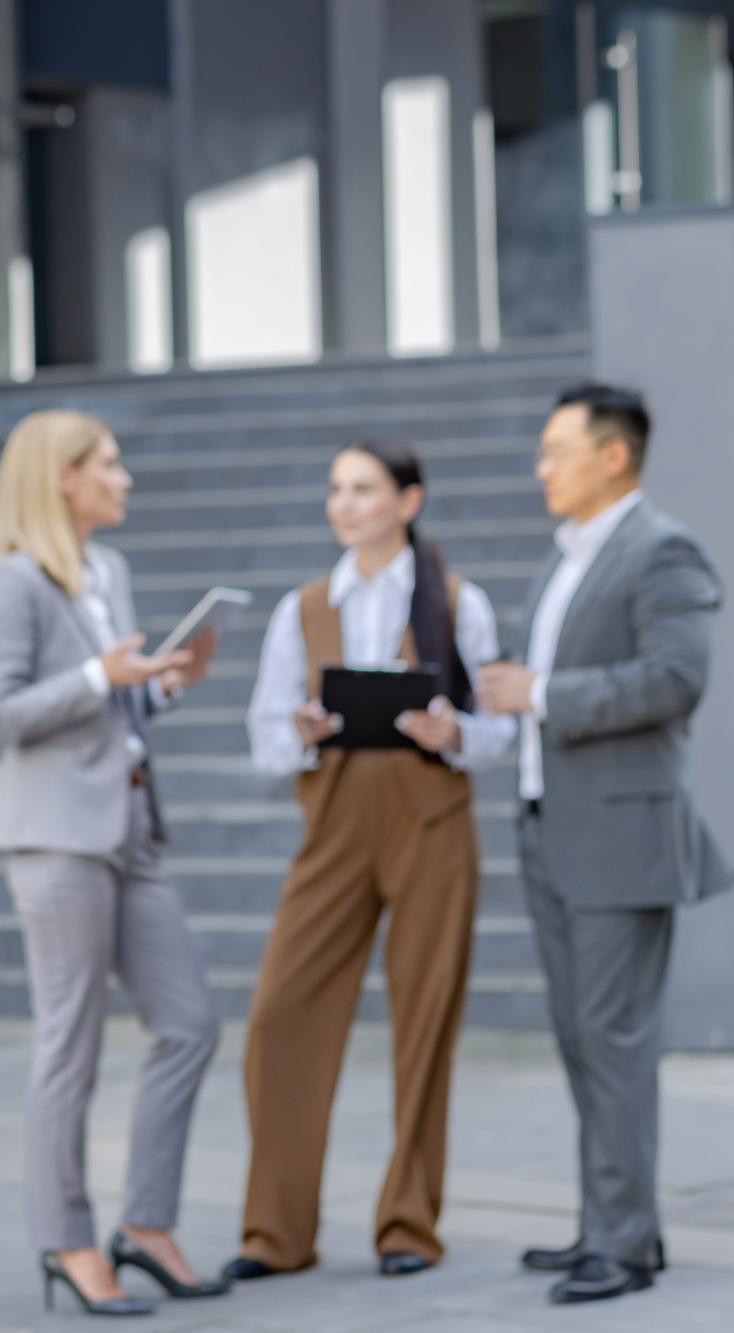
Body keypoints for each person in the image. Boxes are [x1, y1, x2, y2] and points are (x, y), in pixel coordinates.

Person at [225, 440, 514, 1284]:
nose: (344, 504)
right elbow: (266, 735)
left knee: (425, 1026)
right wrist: (304, 730)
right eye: (336, 489)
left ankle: (408, 1224)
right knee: (280, 1018)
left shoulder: (458, 601)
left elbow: (497, 725)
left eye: (363, 488)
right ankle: (275, 1231)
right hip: (337, 823)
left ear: (408, 500)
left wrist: (453, 732)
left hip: (432, 821)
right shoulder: (305, 606)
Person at [0, 409, 226, 1317]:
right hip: (56, 838)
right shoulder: (12, 584)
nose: (125, 478)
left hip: (130, 826)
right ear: (62, 478)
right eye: (110, 464)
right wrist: (97, 680)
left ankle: (145, 1223)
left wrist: (160, 685)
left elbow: (118, 701)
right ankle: (67, 1239)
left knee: (190, 1021)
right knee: (68, 1045)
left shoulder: (106, 570)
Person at [478, 383, 728, 1306]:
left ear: (612, 455)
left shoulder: (662, 550)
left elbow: (674, 679)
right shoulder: (567, 558)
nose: (542, 467)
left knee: (614, 1043)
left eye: (556, 450)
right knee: (583, 1040)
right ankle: (615, 1225)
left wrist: (542, 694)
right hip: (552, 824)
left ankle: (619, 1247)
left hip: (620, 834)